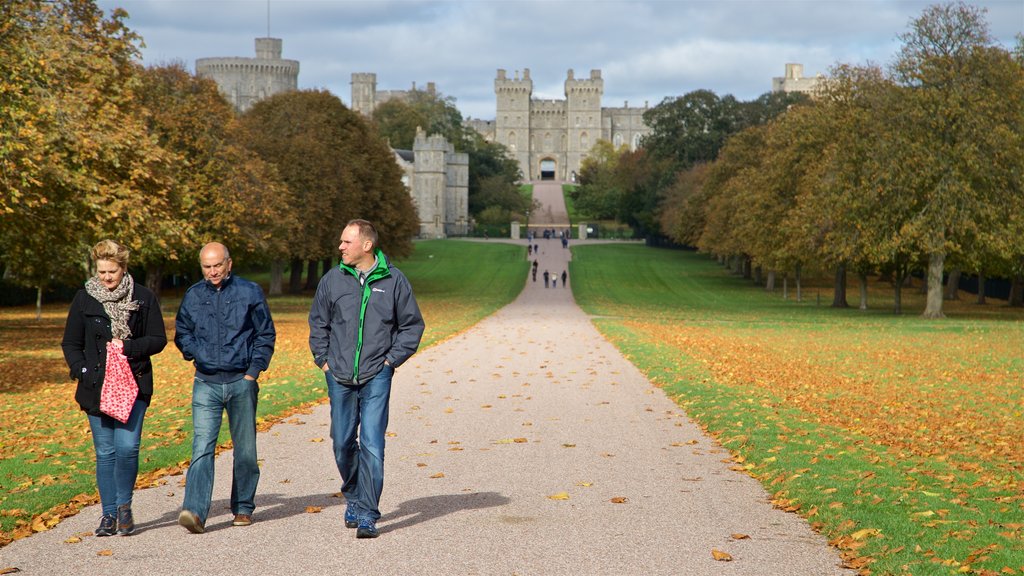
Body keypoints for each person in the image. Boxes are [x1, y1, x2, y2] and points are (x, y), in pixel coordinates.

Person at [309, 219, 424, 539]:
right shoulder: (332, 280)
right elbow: (318, 323)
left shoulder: (394, 280)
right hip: (339, 374)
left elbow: (412, 326)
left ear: (367, 245)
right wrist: (324, 361)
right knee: (342, 442)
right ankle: (355, 495)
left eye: (347, 242)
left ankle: (367, 513)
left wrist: (390, 362)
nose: (340, 247)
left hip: (377, 374)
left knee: (372, 443)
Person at [61, 239, 167, 537]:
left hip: (133, 384)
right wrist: (81, 370)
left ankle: (124, 506)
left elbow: (158, 339)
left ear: (124, 268)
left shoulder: (143, 298)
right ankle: (109, 516)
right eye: (102, 271)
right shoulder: (84, 299)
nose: (106, 277)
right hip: (95, 386)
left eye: (112, 272)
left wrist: (129, 347)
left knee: (128, 447)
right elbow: (70, 343)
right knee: (105, 452)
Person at [174, 242, 276, 534]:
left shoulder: (249, 292)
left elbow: (264, 333)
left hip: (241, 381)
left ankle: (243, 506)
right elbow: (182, 332)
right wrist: (196, 354)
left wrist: (253, 372)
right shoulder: (193, 295)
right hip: (206, 381)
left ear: (229, 264)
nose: (213, 271)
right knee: (201, 447)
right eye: (207, 267)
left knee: (244, 448)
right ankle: (194, 511)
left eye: (217, 265)